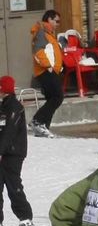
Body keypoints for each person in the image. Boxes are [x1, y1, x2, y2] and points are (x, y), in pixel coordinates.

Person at [0, 76, 34, 226]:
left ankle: (25, 216)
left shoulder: (14, 107)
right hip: (3, 151)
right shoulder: (3, 106)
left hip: (13, 153)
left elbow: (9, 132)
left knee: (13, 185)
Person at [30, 9, 64, 137]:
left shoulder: (49, 34)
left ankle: (43, 127)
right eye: (56, 21)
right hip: (45, 71)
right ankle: (37, 121)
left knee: (52, 98)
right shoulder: (41, 33)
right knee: (57, 97)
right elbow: (38, 52)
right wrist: (48, 66)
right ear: (49, 19)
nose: (58, 24)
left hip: (52, 70)